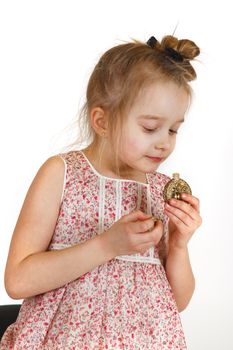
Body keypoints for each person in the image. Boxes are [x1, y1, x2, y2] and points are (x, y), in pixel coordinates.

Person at [0, 35, 202, 349]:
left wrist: (178, 245)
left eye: (174, 129)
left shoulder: (160, 191)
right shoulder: (62, 174)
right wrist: (107, 245)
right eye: (150, 127)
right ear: (102, 121)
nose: (165, 142)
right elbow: (17, 281)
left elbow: (176, 301)